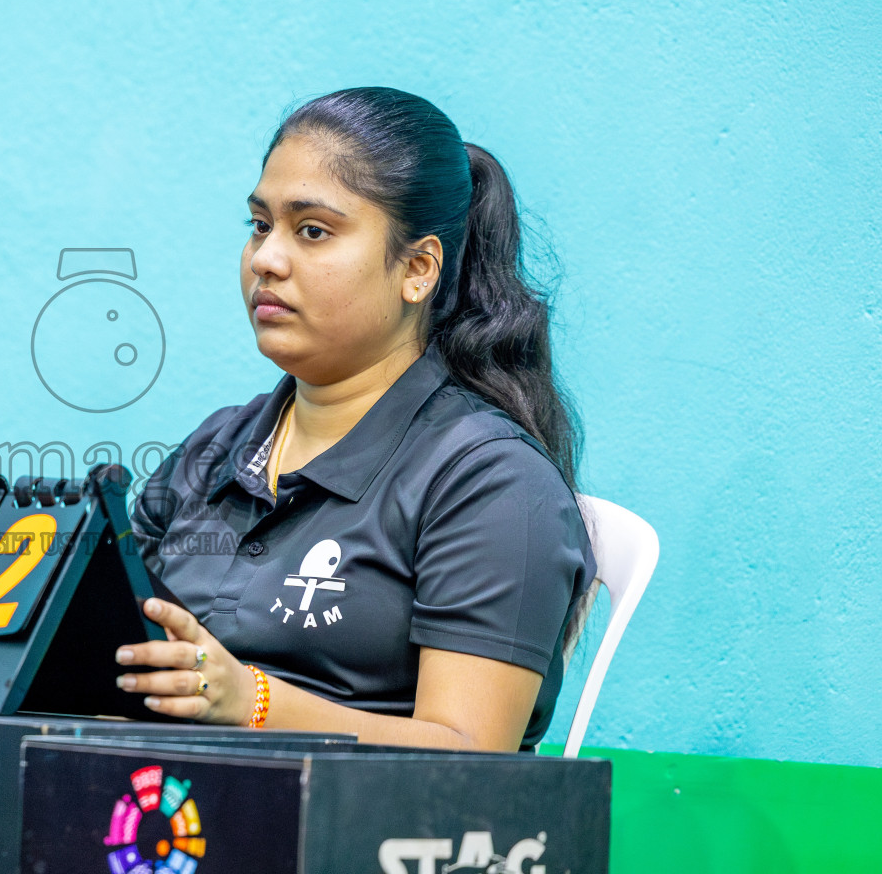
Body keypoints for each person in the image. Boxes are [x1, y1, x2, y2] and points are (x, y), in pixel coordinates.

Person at [115, 87, 596, 752]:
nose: (267, 259)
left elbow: (472, 751)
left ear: (418, 269)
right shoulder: (214, 448)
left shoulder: (493, 482)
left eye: (312, 231)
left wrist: (251, 700)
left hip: (370, 838)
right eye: (261, 226)